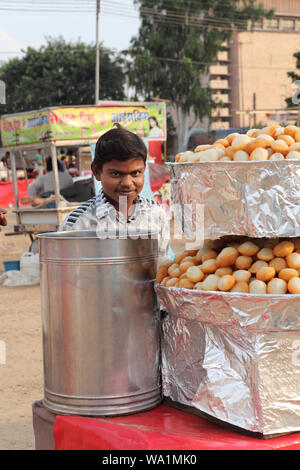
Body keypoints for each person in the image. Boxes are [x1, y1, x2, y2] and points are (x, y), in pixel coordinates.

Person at [60, 124, 169, 259]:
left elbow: (162, 268)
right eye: (116, 174)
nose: (127, 183)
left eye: (135, 173)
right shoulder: (78, 224)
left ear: (144, 170)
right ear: (97, 171)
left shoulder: (156, 213)